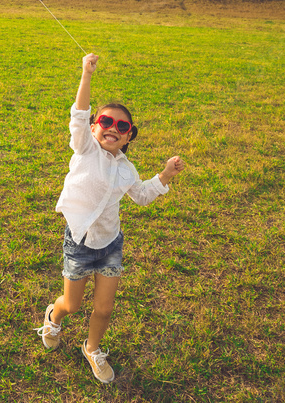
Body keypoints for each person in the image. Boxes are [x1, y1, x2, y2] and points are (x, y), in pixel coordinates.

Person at [37, 52, 185, 384]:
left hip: (110, 246)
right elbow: (78, 115)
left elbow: (143, 195)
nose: (112, 129)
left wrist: (164, 175)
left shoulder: (127, 169)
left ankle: (92, 348)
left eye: (122, 126)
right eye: (106, 122)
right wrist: (86, 76)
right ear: (94, 128)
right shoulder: (85, 149)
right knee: (72, 305)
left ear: (129, 136)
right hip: (79, 244)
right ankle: (53, 316)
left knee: (103, 310)